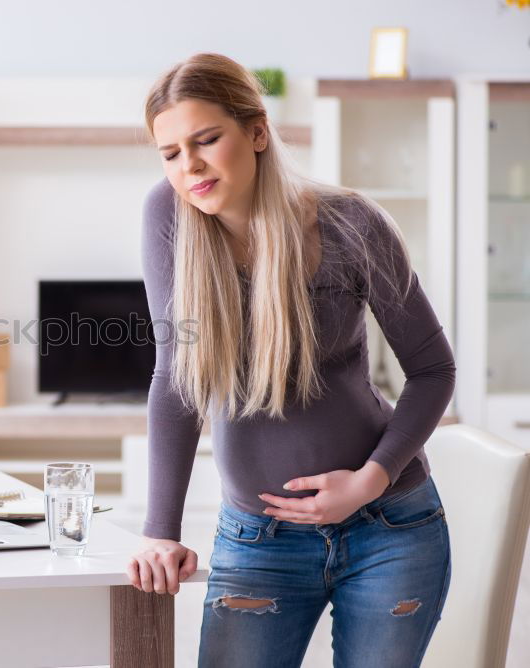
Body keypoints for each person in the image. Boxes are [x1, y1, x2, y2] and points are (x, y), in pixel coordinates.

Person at [125, 52, 455, 667]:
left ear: (256, 131)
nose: (188, 165)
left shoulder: (351, 224)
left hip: (391, 528)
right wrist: (161, 530)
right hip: (258, 540)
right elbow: (176, 382)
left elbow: (434, 370)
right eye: (170, 152)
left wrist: (368, 481)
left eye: (205, 140)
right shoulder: (167, 217)